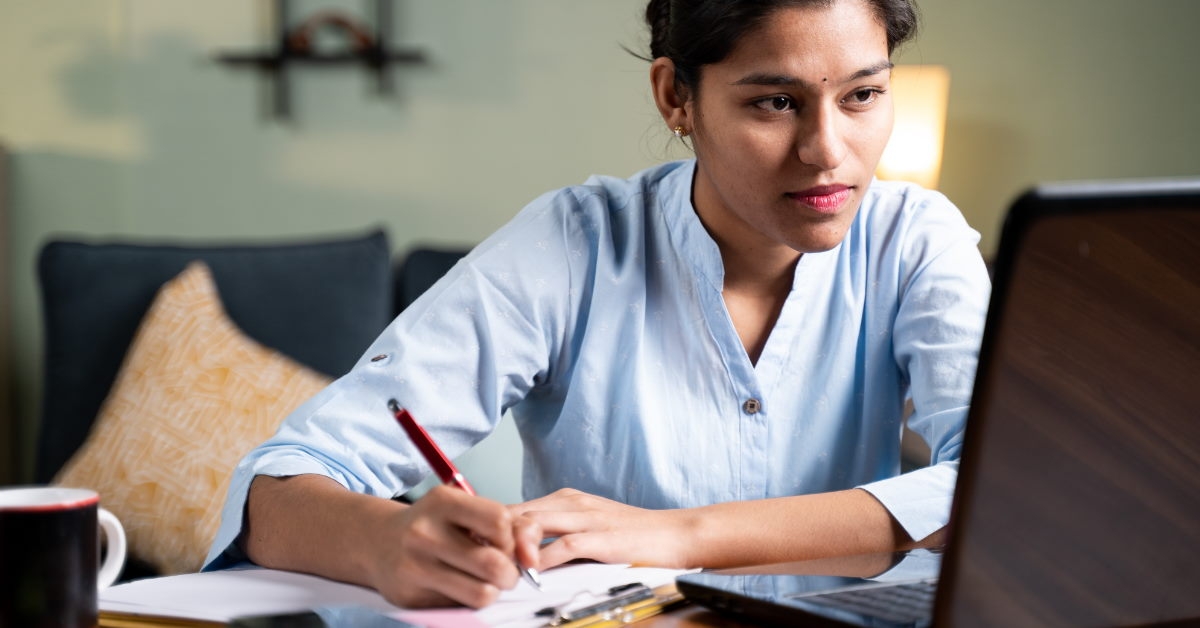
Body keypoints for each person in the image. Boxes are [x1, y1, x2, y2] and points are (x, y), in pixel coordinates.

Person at [205, 0, 991, 610]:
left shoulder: (917, 240)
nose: (827, 149)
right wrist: (389, 542)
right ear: (675, 96)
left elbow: (995, 495)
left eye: (863, 95)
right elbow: (280, 485)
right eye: (775, 103)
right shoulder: (572, 245)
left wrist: (680, 538)